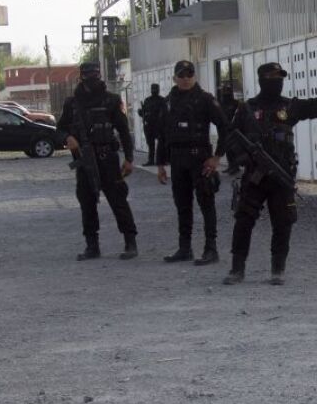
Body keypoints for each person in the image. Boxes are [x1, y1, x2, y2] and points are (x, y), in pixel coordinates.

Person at [223, 62, 317, 286]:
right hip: (255, 176)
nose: (278, 81)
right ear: (262, 79)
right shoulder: (247, 109)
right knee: (244, 220)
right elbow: (231, 137)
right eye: (273, 77)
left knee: (283, 222)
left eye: (280, 77)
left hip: (281, 176)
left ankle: (278, 270)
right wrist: (243, 158)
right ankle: (237, 269)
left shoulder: (289, 107)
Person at [56, 61, 139, 261]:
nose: (92, 79)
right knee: (87, 203)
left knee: (118, 201)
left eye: (95, 74)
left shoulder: (111, 100)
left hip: (108, 159)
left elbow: (123, 132)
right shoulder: (72, 103)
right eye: (88, 75)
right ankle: (92, 246)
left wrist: (129, 159)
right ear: (81, 77)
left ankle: (130, 242)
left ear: (100, 75)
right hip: (85, 161)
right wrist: (67, 138)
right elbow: (59, 129)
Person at [156, 60, 229, 265]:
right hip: (177, 159)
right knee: (182, 205)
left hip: (200, 158)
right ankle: (185, 247)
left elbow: (225, 127)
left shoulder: (205, 99)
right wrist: (161, 164)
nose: (186, 78)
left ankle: (211, 249)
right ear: (174, 78)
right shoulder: (168, 101)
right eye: (181, 75)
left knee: (206, 203)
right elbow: (163, 134)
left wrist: (217, 157)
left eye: (189, 74)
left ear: (194, 76)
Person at [217, 82, 245, 174]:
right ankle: (230, 165)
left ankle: (235, 166)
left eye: (227, 90)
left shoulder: (236, 103)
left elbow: (239, 116)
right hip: (224, 128)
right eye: (224, 90)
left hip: (234, 129)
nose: (225, 92)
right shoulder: (220, 103)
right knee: (227, 148)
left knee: (233, 148)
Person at [139, 83, 165, 165]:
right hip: (149, 126)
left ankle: (160, 160)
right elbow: (143, 113)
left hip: (159, 126)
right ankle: (151, 160)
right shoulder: (147, 100)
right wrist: (141, 112)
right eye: (153, 89)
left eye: (155, 89)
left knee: (161, 144)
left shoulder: (162, 100)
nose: (154, 91)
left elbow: (165, 113)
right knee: (151, 145)